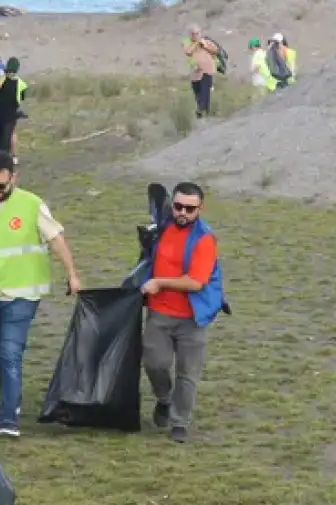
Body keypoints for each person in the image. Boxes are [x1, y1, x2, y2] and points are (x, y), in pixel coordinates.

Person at [0, 151, 82, 437]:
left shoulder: (32, 205)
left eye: (1, 186)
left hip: (22, 295)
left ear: (14, 178)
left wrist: (72, 274)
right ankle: (13, 401)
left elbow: (56, 240)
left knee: (10, 352)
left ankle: (8, 419)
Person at [137, 182, 226, 443]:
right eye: (178, 207)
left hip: (192, 319)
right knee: (154, 363)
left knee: (187, 374)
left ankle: (180, 422)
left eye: (190, 208)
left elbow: (195, 283)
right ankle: (164, 399)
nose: (183, 213)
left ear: (200, 209)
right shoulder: (162, 229)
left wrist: (160, 283)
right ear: (172, 205)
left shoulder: (204, 240)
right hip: (159, 313)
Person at [0, 57, 27, 164]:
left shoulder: (21, 84)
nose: (11, 73)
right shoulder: (2, 80)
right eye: (9, 71)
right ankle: (0, 156)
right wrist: (4, 76)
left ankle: (7, 158)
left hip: (10, 115)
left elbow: (22, 98)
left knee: (8, 135)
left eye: (12, 71)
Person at [183, 25, 221, 118]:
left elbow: (216, 50)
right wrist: (197, 43)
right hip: (195, 75)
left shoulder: (206, 42)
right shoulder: (187, 44)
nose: (196, 35)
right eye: (193, 34)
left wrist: (205, 44)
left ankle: (202, 110)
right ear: (190, 35)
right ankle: (203, 115)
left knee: (205, 92)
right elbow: (188, 52)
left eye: (197, 33)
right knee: (198, 96)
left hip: (207, 71)